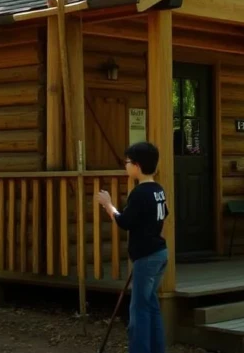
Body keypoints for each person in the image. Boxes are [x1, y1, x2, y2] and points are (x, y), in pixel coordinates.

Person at [97, 142, 169, 353]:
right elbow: (165, 213)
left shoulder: (139, 193)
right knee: (151, 305)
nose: (126, 166)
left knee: (138, 311)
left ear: (137, 165)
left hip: (146, 257)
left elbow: (124, 221)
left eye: (127, 162)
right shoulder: (158, 190)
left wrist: (108, 205)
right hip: (159, 253)